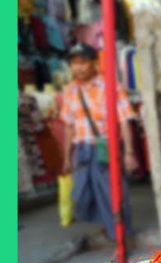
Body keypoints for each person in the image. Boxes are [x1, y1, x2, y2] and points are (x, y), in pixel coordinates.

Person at [58, 43, 139, 240]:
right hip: (82, 150)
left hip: (105, 148)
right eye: (75, 63)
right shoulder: (69, 91)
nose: (79, 67)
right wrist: (67, 158)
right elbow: (69, 126)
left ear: (94, 63)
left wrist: (128, 153)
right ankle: (108, 225)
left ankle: (120, 236)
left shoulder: (110, 87)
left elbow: (124, 120)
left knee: (112, 194)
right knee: (81, 195)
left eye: (83, 62)